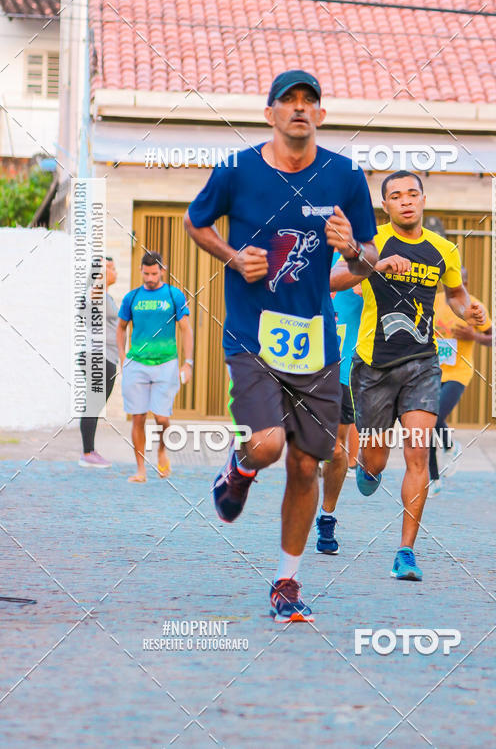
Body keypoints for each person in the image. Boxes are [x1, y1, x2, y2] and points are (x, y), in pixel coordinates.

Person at [184, 69, 377, 623]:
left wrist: (353, 251)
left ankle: (287, 581)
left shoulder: (344, 176)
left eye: (307, 101)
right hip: (252, 333)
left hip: (316, 342)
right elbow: (196, 222)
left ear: (320, 114)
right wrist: (229, 256)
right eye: (286, 100)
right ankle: (239, 470)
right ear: (269, 113)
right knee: (268, 446)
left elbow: (362, 261)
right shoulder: (237, 170)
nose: (298, 108)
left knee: (306, 465)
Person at [331, 171, 486, 582]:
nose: (405, 201)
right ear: (385, 205)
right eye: (395, 196)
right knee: (377, 459)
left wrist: (469, 308)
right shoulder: (371, 242)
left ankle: (405, 552)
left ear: (422, 199)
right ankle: (367, 466)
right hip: (373, 366)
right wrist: (374, 265)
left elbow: (454, 292)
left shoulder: (444, 249)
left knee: (417, 453)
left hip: (421, 363)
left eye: (412, 194)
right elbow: (330, 281)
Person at [116, 251, 194, 483]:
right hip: (136, 364)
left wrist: (188, 363)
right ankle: (141, 469)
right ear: (140, 270)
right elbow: (120, 328)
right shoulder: (132, 298)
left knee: (162, 418)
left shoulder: (173, 295)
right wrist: (123, 357)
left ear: (162, 270)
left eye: (154, 273)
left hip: (166, 364)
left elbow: (186, 330)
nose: (150, 277)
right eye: (146, 273)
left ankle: (161, 450)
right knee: (138, 418)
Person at [314, 255, 363, 554]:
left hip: (342, 367)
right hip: (302, 362)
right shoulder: (302, 253)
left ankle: (326, 515)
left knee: (335, 448)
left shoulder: (363, 258)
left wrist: (367, 283)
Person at [429, 267, 492, 492]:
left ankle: (449, 446)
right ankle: (432, 478)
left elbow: (495, 338)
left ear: (467, 283)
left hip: (458, 372)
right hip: (432, 371)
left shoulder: (474, 307)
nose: (456, 286)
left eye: (461, 283)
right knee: (425, 422)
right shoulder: (433, 302)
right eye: (451, 282)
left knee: (434, 417)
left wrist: (473, 335)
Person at [78, 256, 118, 468]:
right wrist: (100, 278)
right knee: (93, 405)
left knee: (95, 405)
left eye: (113, 267)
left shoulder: (104, 295)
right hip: (97, 356)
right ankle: (87, 453)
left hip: (106, 357)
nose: (114, 271)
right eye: (108, 268)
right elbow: (89, 299)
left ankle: (90, 450)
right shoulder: (95, 293)